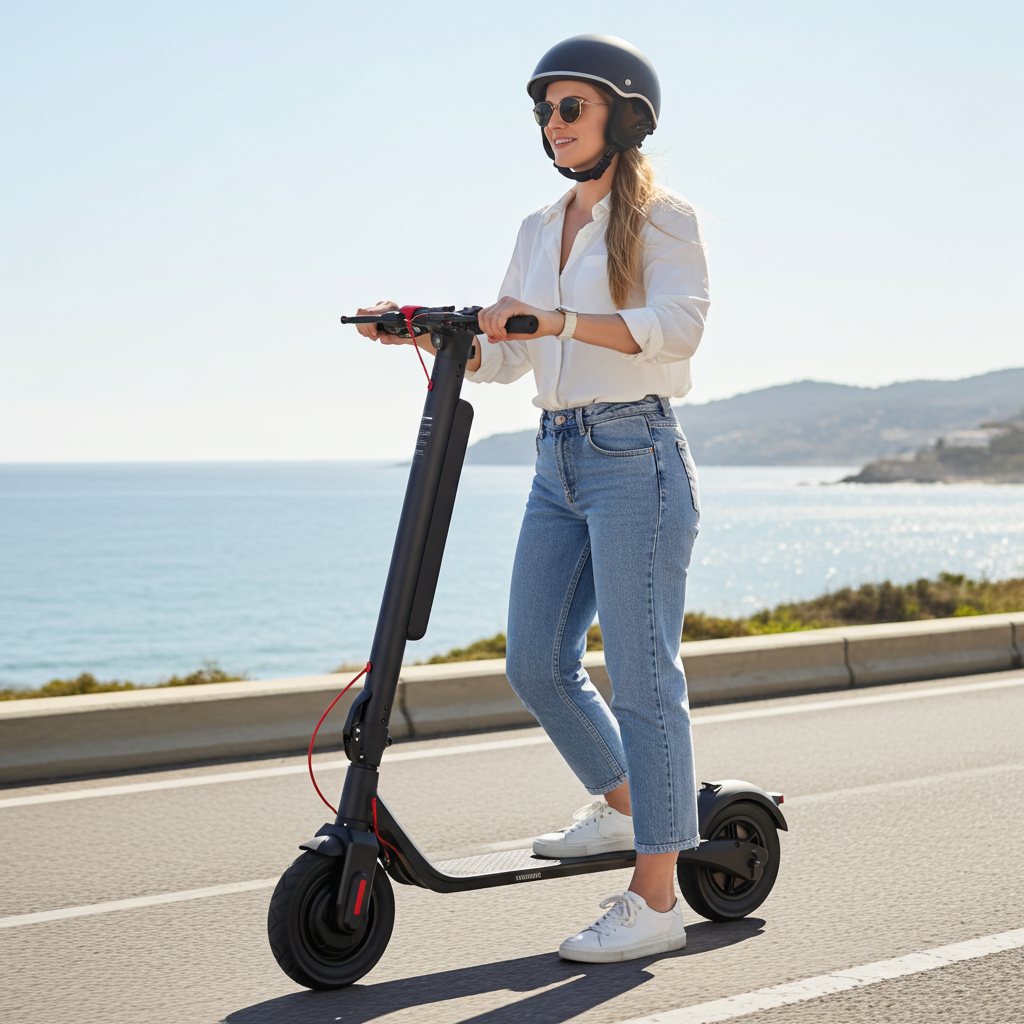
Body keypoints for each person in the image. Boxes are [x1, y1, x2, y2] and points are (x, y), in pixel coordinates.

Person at [356, 34, 709, 963]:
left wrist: (553, 318)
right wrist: (432, 338)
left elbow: (677, 331)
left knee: (642, 677)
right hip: (557, 458)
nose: (552, 126)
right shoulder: (535, 228)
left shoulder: (665, 220)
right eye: (544, 112)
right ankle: (626, 808)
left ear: (622, 114)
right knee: (537, 662)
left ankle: (658, 898)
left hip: (638, 451)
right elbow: (510, 357)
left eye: (569, 108)